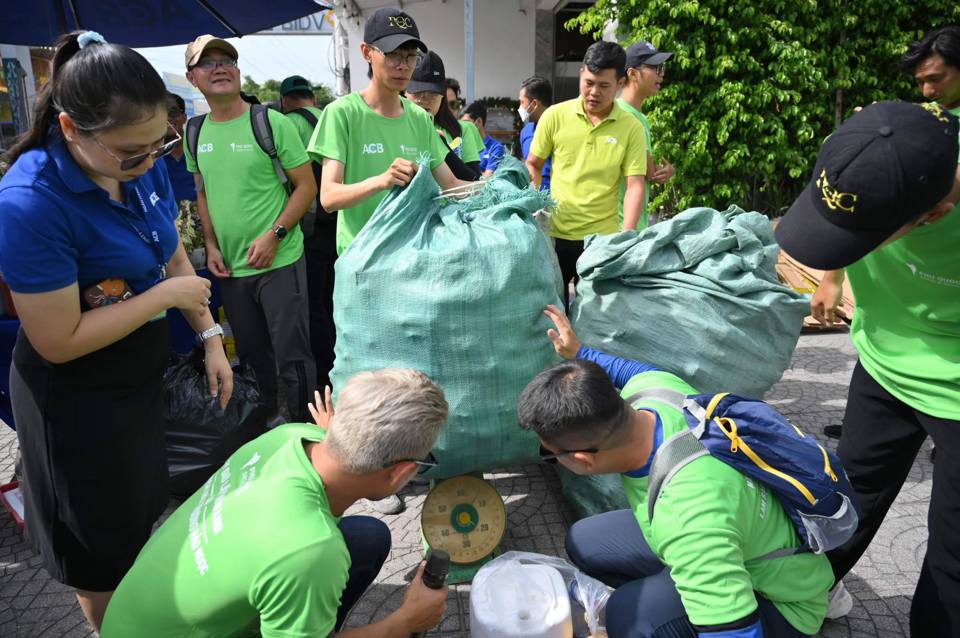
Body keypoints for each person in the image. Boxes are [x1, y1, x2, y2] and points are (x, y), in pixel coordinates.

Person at [0, 31, 232, 630]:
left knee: (139, 511)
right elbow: (58, 339)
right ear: (74, 129)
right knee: (98, 550)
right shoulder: (29, 201)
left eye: (162, 143)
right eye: (133, 152)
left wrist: (210, 339)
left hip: (135, 378)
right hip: (73, 399)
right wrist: (162, 297)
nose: (150, 162)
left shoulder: (136, 163)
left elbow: (172, 252)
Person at [517, 306, 834, 638]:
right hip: (739, 537)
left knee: (627, 618)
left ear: (583, 461)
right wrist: (579, 354)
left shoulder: (688, 518)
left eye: (550, 455)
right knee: (585, 541)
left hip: (782, 603)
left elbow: (737, 633)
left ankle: (692, 594)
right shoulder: (658, 392)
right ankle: (690, 585)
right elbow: (627, 370)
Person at [775, 96, 960, 636]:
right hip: (883, 364)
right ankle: (806, 594)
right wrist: (832, 272)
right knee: (845, 496)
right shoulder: (889, 143)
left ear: (933, 215)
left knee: (952, 553)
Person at [101, 370, 449, 637]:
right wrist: (403, 622)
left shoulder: (290, 436)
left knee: (365, 537)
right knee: (335, 552)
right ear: (398, 473)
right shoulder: (311, 551)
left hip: (131, 619)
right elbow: (307, 551)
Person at [184, 35, 317, 423]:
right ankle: (264, 429)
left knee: (293, 355)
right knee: (253, 355)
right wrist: (210, 245)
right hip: (232, 268)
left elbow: (306, 186)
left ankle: (304, 432)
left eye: (227, 60)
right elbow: (203, 194)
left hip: (280, 260)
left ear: (239, 72)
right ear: (193, 78)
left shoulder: (270, 123)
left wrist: (275, 236)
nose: (220, 67)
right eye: (208, 63)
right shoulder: (195, 132)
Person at [308, 7, 471, 257]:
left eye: (410, 56)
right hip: (362, 259)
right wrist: (383, 180)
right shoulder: (342, 113)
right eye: (393, 54)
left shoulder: (419, 118)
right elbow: (329, 197)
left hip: (413, 256)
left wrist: (497, 188)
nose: (403, 66)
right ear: (367, 52)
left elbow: (450, 184)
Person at [526, 41, 648, 310]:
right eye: (588, 82)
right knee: (552, 314)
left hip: (601, 241)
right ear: (581, 73)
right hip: (555, 235)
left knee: (595, 320)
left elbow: (635, 183)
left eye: (604, 86)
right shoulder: (555, 116)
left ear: (619, 83)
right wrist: (533, 204)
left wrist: (625, 235)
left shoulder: (631, 127)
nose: (593, 92)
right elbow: (533, 163)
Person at [280, 74, 337, 391]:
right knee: (334, 301)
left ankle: (322, 374)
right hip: (341, 222)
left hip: (310, 229)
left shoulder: (287, 122)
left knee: (313, 305)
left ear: (286, 100)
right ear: (312, 98)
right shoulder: (329, 117)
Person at [619, 41, 676, 229]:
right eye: (655, 68)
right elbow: (647, 170)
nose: (662, 74)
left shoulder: (640, 117)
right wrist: (660, 172)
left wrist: (661, 172)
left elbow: (646, 171)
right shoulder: (624, 116)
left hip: (632, 225)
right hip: (621, 228)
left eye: (662, 67)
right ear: (632, 73)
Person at [406, 51, 483, 178]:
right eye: (418, 92)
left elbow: (475, 180)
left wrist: (443, 148)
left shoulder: (463, 129)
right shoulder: (396, 127)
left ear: (442, 94)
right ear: (405, 91)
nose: (425, 100)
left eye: (433, 94)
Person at [518, 75, 553, 190]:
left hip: (556, 198)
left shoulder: (559, 127)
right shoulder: (526, 131)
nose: (520, 107)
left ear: (534, 104)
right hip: (533, 197)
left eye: (522, 102)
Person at [163, 93, 195, 202]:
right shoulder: (149, 158)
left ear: (184, 117)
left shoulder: (199, 150)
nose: (167, 118)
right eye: (162, 113)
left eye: (173, 112)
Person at [462, 101, 506, 177]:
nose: (462, 127)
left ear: (478, 122)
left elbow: (487, 179)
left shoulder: (495, 148)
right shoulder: (460, 147)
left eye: (466, 123)